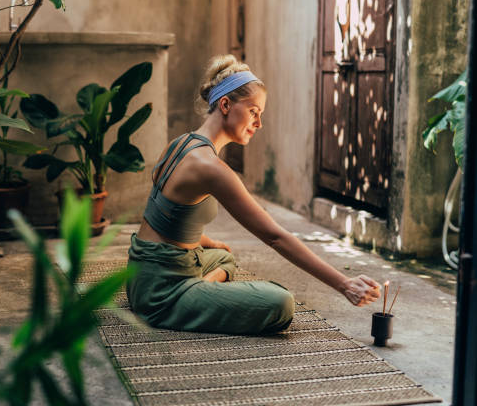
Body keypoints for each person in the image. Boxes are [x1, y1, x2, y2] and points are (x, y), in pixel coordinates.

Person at [126, 54, 381, 335]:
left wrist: (207, 241)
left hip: (140, 272)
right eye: (253, 112)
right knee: (280, 303)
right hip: (161, 293)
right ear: (225, 105)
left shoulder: (181, 143)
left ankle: (199, 292)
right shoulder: (212, 168)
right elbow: (275, 237)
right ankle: (189, 297)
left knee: (224, 257)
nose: (258, 123)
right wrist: (344, 284)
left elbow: (163, 214)